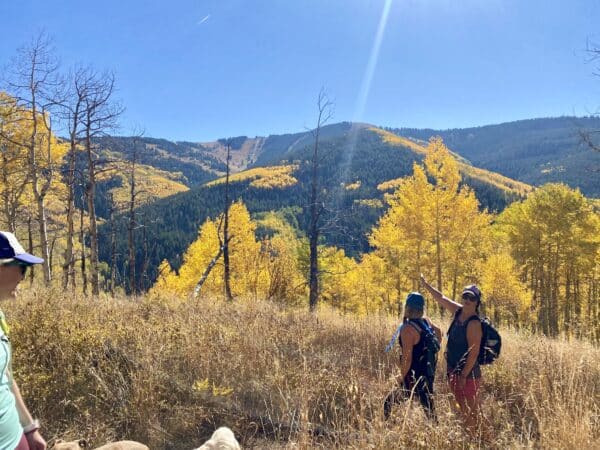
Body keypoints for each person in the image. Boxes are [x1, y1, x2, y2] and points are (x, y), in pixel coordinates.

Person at [0, 231, 47, 450]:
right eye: (21, 267)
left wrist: (29, 428)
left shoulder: (0, 316)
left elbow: (6, 377)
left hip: (15, 438)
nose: (23, 276)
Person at [420, 274, 483, 432]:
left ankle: (481, 439)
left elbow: (473, 354)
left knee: (472, 411)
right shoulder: (458, 312)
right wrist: (426, 285)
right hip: (453, 369)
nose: (467, 300)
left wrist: (463, 375)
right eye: (465, 296)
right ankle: (468, 435)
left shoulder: (474, 323)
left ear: (477, 302)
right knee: (461, 405)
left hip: (468, 374)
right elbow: (441, 298)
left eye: (472, 298)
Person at [384, 292, 441, 421]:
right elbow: (439, 333)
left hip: (413, 377)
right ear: (422, 308)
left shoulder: (407, 329)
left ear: (407, 307)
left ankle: (385, 427)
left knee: (388, 403)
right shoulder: (426, 321)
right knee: (429, 411)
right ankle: (434, 434)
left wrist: (399, 378)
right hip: (428, 372)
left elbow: (407, 359)